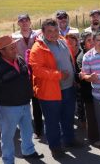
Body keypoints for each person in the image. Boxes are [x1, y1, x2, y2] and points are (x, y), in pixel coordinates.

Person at [0, 35, 44, 164]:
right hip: (7, 109)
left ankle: (28, 151)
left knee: (27, 131)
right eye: (11, 48)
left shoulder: (20, 60)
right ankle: (8, 160)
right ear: (2, 51)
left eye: (15, 46)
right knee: (7, 137)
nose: (15, 49)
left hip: (25, 104)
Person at [29, 19, 79, 159]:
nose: (53, 34)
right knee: (52, 121)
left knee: (68, 117)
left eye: (56, 30)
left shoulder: (63, 40)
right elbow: (37, 70)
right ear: (43, 32)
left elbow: (70, 60)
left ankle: (69, 140)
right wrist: (58, 75)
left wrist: (74, 77)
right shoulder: (38, 48)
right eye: (49, 31)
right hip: (50, 92)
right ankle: (55, 147)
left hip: (68, 88)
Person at [76, 32, 100, 146]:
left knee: (99, 114)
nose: (92, 42)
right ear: (84, 44)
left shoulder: (97, 53)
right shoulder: (82, 57)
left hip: (99, 90)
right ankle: (94, 139)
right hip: (88, 92)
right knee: (91, 116)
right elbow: (85, 75)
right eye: (88, 40)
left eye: (92, 40)